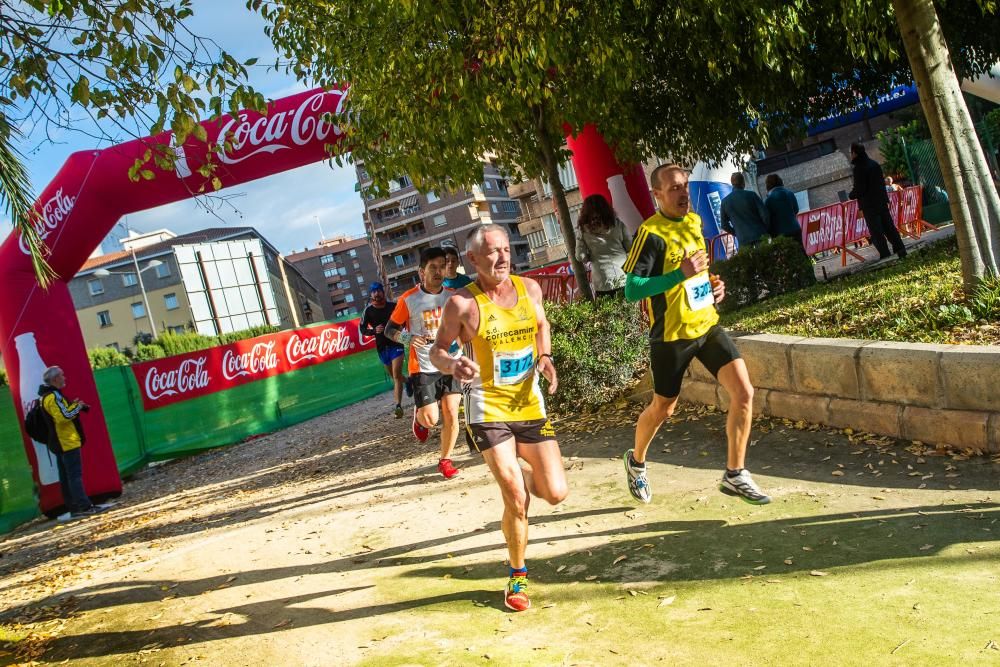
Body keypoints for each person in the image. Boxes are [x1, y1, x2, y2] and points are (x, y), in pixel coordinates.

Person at [431, 223, 565, 612]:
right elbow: (438, 350)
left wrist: (545, 356)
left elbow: (542, 325)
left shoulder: (530, 289)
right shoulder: (462, 304)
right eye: (492, 252)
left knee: (555, 492)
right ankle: (518, 576)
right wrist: (453, 364)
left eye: (506, 249)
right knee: (516, 497)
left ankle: (521, 479)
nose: (502, 257)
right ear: (473, 260)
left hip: (529, 404)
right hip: (487, 407)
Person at [621, 164, 771, 507]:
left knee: (744, 392)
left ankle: (735, 474)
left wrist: (714, 285)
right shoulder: (651, 233)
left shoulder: (693, 222)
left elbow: (700, 271)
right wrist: (679, 274)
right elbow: (633, 289)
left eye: (685, 186)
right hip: (671, 336)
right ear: (657, 195)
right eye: (673, 188)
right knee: (663, 408)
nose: (682, 193)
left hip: (706, 324)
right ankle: (637, 461)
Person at [385, 247, 463, 479]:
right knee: (431, 419)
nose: (439, 271)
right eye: (433, 267)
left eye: (443, 266)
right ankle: (419, 418)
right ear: (422, 272)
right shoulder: (409, 299)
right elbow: (390, 330)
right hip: (423, 366)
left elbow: (463, 325)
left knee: (451, 413)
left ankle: (445, 460)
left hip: (451, 362)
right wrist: (409, 338)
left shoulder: (453, 296)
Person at [38, 366, 103, 519]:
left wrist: (72, 405)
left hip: (60, 442)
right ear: (55, 379)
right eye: (62, 375)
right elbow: (63, 417)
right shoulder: (53, 396)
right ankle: (84, 506)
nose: (64, 378)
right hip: (66, 441)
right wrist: (77, 406)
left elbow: (61, 413)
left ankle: (75, 507)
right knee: (74, 476)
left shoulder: (46, 397)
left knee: (67, 477)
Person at [849, 142, 907, 260]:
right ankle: (900, 248)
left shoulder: (859, 168)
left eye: (851, 153)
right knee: (889, 227)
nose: (851, 155)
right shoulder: (874, 164)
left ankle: (885, 253)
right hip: (881, 200)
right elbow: (881, 183)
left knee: (876, 231)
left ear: (854, 153)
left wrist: (852, 195)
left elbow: (860, 188)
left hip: (869, 204)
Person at [360, 282, 407, 418]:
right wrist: (373, 330)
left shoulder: (393, 306)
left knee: (397, 375)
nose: (376, 294)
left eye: (378, 290)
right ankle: (409, 382)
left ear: (383, 292)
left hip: (396, 344)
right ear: (370, 295)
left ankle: (398, 406)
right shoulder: (368, 311)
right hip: (382, 348)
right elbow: (362, 328)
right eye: (373, 291)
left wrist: (399, 330)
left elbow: (404, 320)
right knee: (394, 376)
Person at [574, 193, 633, 298]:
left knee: (608, 313)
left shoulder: (583, 230)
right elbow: (630, 247)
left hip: (602, 281)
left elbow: (580, 256)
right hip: (623, 276)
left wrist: (589, 256)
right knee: (630, 312)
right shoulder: (618, 224)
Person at [719, 172, 769, 249]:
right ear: (743, 182)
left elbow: (724, 225)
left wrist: (737, 233)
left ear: (732, 183)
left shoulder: (725, 202)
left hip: (743, 239)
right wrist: (766, 228)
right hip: (760, 235)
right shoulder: (752, 195)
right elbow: (765, 215)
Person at [764, 174, 804, 251]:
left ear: (768, 185)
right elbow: (796, 210)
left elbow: (768, 218)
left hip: (780, 233)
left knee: (788, 255)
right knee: (801, 252)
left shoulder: (769, 200)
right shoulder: (790, 193)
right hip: (795, 228)